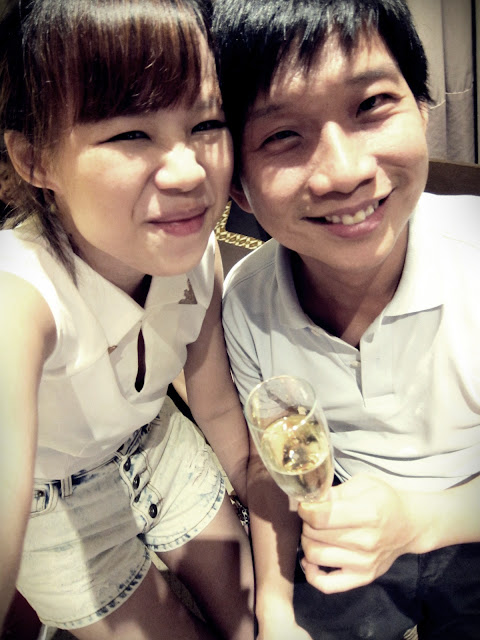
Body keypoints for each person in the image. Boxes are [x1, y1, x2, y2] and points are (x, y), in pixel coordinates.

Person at [213, 1, 480, 638]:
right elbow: (269, 464)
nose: (346, 172)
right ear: (239, 188)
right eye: (283, 136)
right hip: (338, 523)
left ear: (422, 109)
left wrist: (418, 522)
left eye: (371, 105)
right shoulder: (246, 300)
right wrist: (275, 612)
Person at [0, 0, 254, 638]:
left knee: (254, 618)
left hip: (154, 438)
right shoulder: (20, 293)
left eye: (207, 123)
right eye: (131, 134)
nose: (191, 171)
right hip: (53, 500)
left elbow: (215, 405)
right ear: (35, 160)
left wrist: (275, 510)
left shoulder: (196, 256)